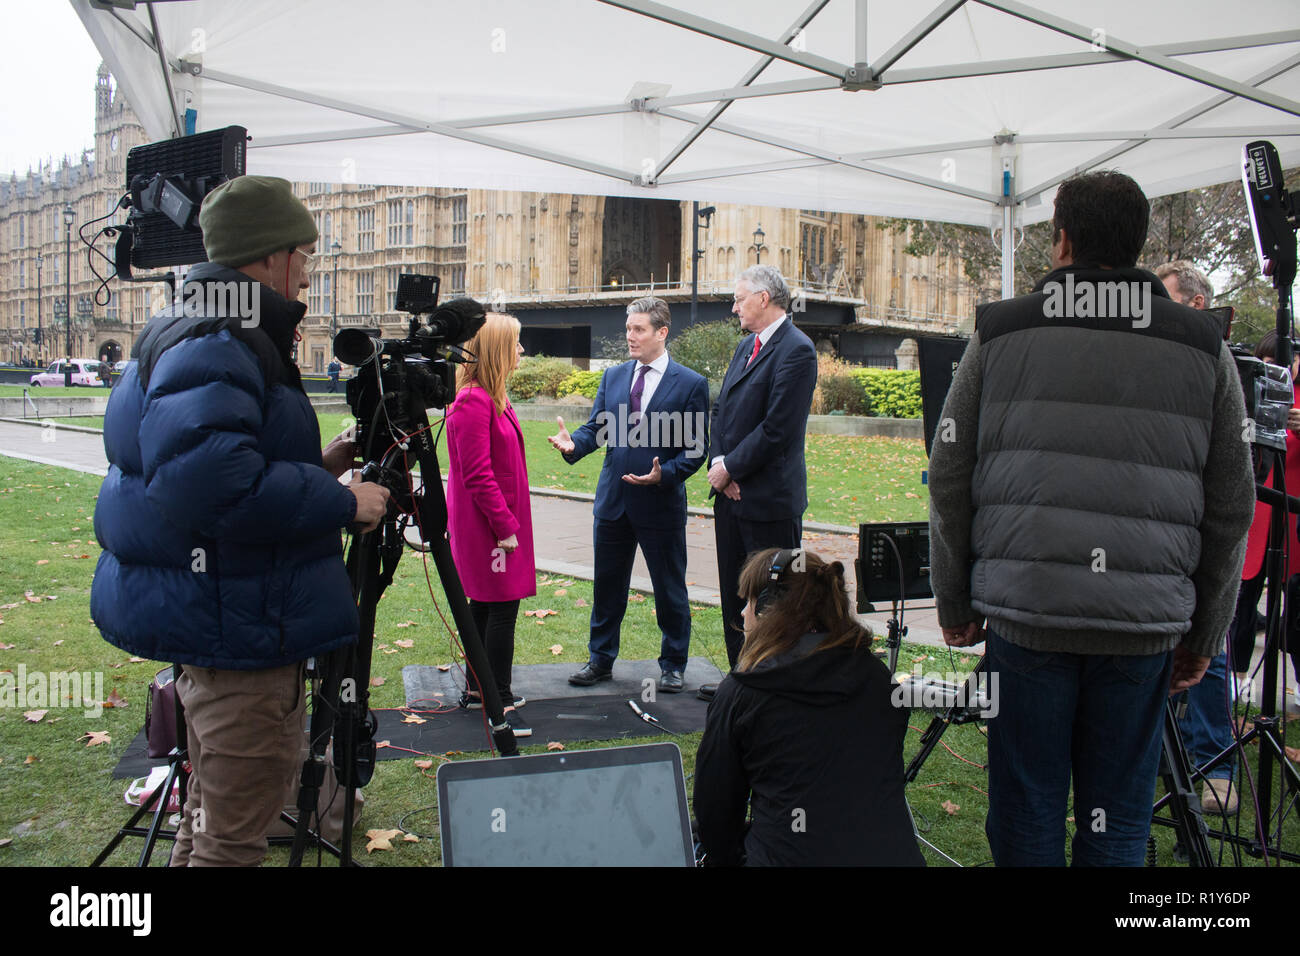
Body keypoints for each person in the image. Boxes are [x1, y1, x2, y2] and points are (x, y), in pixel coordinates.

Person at [928, 170, 1255, 866]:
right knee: (1117, 820)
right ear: (1138, 244)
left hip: (1028, 616)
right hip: (1141, 627)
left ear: (1063, 240)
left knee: (1026, 809)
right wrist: (1205, 633)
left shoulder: (1001, 330)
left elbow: (949, 473)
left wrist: (953, 599)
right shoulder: (1204, 346)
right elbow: (1232, 505)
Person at [91, 174, 391, 866]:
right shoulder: (220, 341)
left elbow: (216, 467)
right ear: (271, 258)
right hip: (241, 636)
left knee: (207, 821)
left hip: (219, 621)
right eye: (304, 258)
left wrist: (319, 463)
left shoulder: (198, 327)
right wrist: (345, 502)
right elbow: (214, 489)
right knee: (231, 841)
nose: (308, 275)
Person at [694, 547, 924, 866]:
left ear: (767, 608)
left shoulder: (741, 693)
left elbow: (715, 812)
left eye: (748, 602)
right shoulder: (879, 679)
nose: (743, 614)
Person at [548, 297, 709, 692]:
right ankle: (600, 659)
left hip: (661, 505)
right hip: (614, 504)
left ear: (661, 332)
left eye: (638, 329)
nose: (630, 337)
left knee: (670, 588)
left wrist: (664, 475)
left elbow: (696, 448)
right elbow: (597, 429)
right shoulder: (615, 377)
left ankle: (673, 664)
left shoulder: (691, 384)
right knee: (606, 586)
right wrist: (574, 446)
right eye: (628, 329)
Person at [701, 265, 818, 701]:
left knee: (771, 599)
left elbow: (778, 429)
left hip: (768, 501)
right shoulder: (743, 347)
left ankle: (770, 686)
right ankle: (740, 681)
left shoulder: (798, 351)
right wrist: (720, 465)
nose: (733, 307)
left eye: (739, 298)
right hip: (730, 495)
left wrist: (732, 468)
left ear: (764, 298)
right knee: (736, 593)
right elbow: (720, 412)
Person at [1157, 260, 1247, 815]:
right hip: (1162, 536)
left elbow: (1231, 491)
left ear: (1194, 304)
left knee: (1206, 648)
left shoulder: (1215, 364)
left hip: (1199, 536)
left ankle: (1216, 769)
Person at [445, 312, 535, 733]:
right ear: (497, 350)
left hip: (499, 520)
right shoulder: (473, 400)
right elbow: (476, 473)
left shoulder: (491, 396)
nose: (521, 351)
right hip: (489, 525)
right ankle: (495, 692)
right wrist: (503, 526)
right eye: (515, 344)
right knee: (500, 606)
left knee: (486, 603)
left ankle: (480, 687)